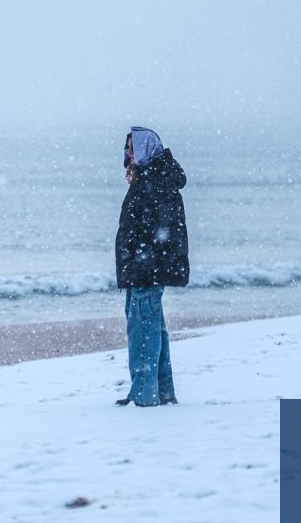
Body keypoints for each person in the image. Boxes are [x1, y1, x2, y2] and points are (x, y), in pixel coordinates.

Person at [115, 126, 189, 407]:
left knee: (143, 332)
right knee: (151, 329)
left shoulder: (156, 180)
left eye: (132, 148)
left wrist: (143, 263)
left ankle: (144, 396)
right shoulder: (152, 178)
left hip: (146, 270)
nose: (128, 155)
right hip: (141, 269)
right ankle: (163, 391)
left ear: (145, 149)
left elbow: (162, 232)